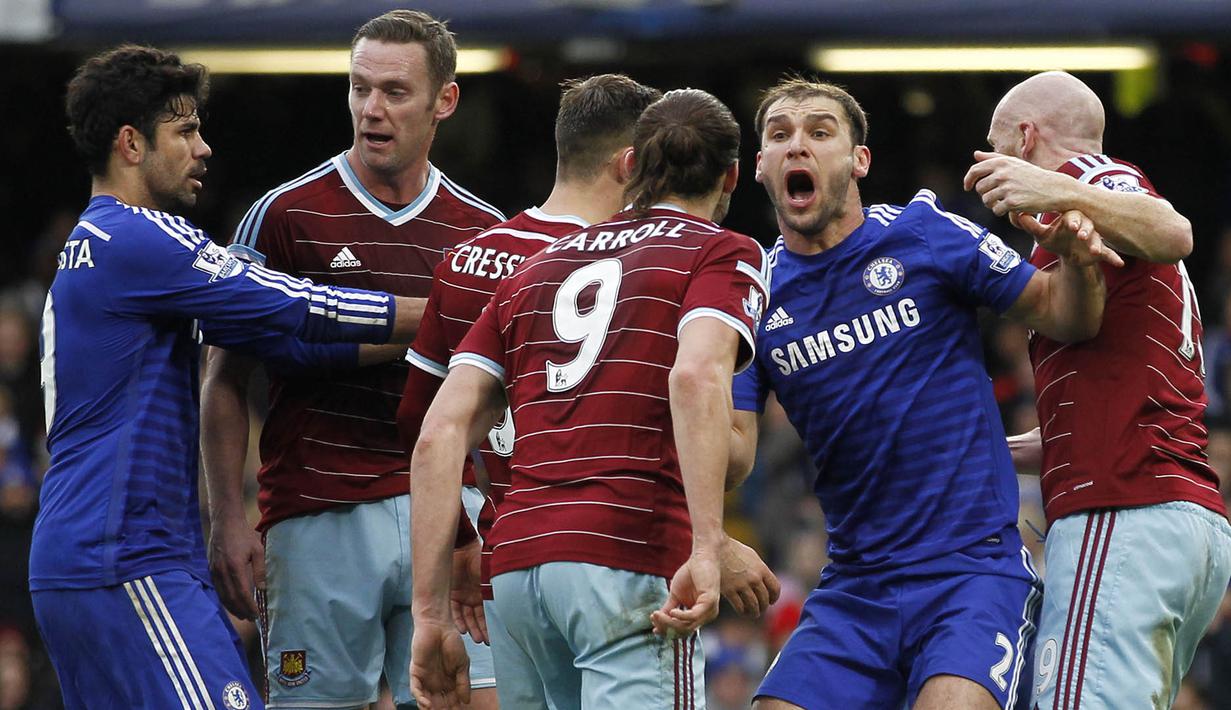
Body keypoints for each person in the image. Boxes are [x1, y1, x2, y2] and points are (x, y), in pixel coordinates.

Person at [30, 45, 425, 710]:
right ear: (131, 143)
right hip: (126, 557)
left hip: (86, 557)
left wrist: (429, 342)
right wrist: (467, 310)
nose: (204, 148)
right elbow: (302, 305)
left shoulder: (96, 245)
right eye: (184, 131)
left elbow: (285, 341)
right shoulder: (141, 237)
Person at [733, 77, 1117, 710]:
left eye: (819, 133)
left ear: (859, 160)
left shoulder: (924, 231)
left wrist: (1077, 259)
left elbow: (1067, 317)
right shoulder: (753, 298)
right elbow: (731, 452)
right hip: (854, 588)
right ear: (761, 169)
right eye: (780, 136)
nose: (797, 146)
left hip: (972, 574)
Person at [395, 74, 779, 694]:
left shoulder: (533, 269)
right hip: (627, 552)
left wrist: (430, 613)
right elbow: (695, 375)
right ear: (731, 177)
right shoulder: (722, 252)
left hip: (517, 569)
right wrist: (707, 546)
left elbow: (437, 436)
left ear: (637, 168)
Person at [199, 10, 504, 710]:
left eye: (395, 91)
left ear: (444, 102)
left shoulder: (484, 232)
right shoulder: (282, 216)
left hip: (447, 513)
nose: (372, 109)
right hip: (316, 516)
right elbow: (223, 375)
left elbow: (502, 401)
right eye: (359, 87)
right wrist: (227, 518)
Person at [965, 70, 1231, 709]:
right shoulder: (1095, 229)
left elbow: (1175, 230)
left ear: (1026, 140)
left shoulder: (1094, 183)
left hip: (1123, 513)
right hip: (1174, 516)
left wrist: (1052, 186)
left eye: (999, 152)